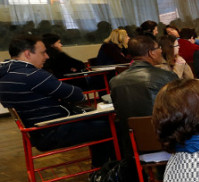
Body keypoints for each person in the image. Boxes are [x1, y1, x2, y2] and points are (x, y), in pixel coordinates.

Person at [0, 35, 114, 166]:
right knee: (113, 126)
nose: (47, 56)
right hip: (53, 131)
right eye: (43, 52)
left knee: (102, 123)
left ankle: (100, 170)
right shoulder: (33, 75)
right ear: (27, 54)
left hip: (36, 133)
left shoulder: (5, 77)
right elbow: (77, 95)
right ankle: (109, 171)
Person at [110, 35, 179, 147]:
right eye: (158, 48)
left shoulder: (115, 81)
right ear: (151, 53)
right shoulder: (167, 76)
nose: (161, 51)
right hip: (167, 140)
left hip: (132, 144)